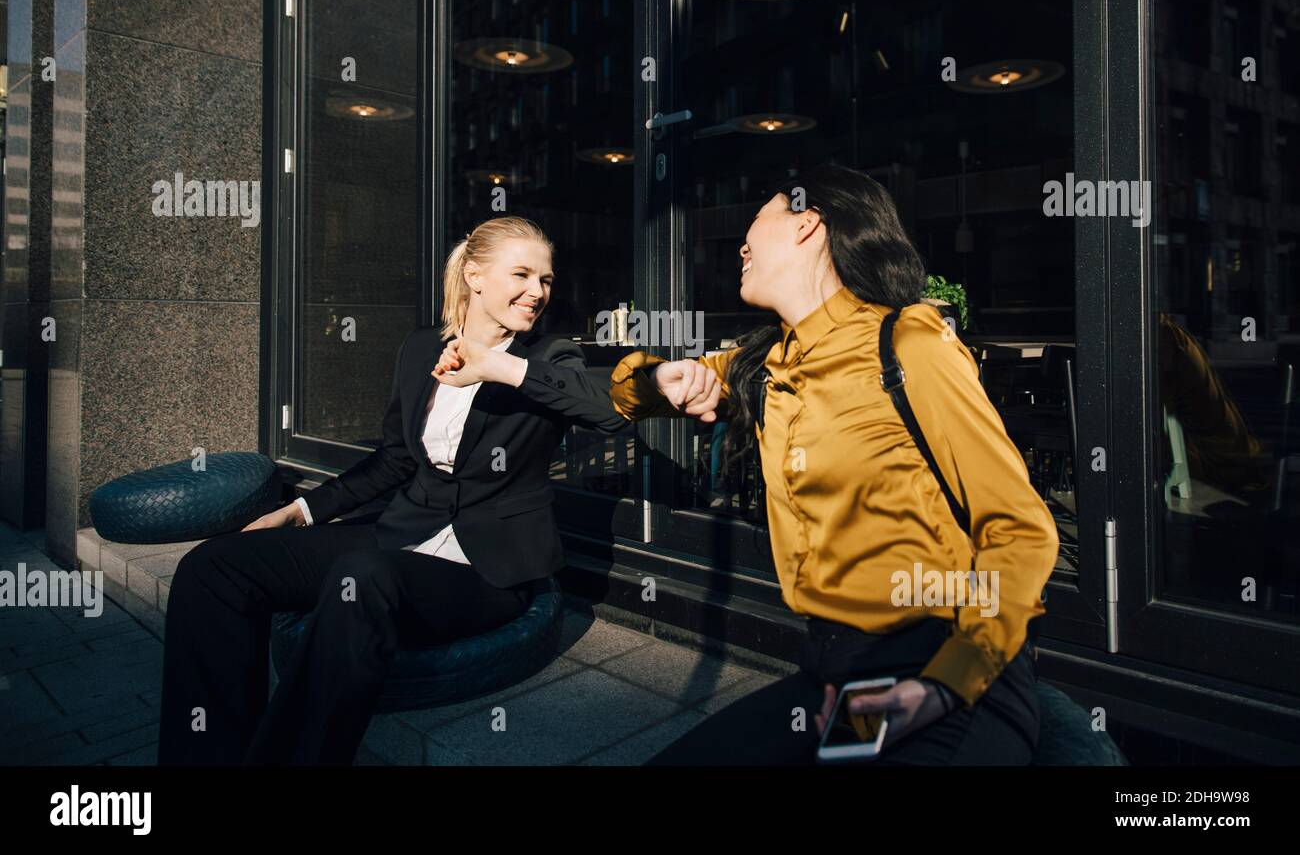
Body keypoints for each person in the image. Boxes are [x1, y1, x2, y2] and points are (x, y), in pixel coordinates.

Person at [542, 163, 1057, 764]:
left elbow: (1020, 531)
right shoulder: (767, 362)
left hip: (944, 670)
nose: (741, 243)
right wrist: (659, 373)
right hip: (833, 669)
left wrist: (945, 684)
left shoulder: (909, 344)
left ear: (809, 224)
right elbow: (628, 397)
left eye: (757, 220)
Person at [156, 216, 629, 765]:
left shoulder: (548, 357)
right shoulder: (420, 348)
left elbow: (612, 413)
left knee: (362, 576)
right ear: (474, 276)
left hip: (488, 569)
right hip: (403, 535)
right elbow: (394, 460)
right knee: (213, 568)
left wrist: (498, 366)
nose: (537, 292)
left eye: (545, 280)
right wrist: (304, 510)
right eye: (521, 274)